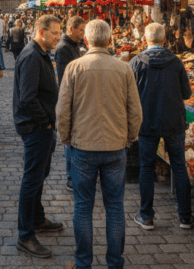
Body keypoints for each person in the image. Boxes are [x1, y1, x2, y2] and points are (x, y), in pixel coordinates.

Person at [56, 19, 142, 269]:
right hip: (116, 146)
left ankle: (83, 262)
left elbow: (62, 110)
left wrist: (66, 138)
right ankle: (115, 262)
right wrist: (129, 137)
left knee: (83, 207)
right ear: (110, 40)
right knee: (115, 207)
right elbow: (135, 111)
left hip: (83, 147)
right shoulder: (124, 69)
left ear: (86, 40)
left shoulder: (74, 67)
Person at [129, 22, 194, 231]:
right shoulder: (176, 62)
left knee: (146, 168)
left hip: (146, 122)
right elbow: (186, 93)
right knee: (179, 166)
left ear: (145, 40)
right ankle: (185, 217)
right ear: (164, 39)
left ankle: (146, 216)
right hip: (174, 121)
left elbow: (129, 96)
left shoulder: (136, 62)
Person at [13, 14, 64, 259]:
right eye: (55, 33)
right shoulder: (32, 55)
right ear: (42, 32)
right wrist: (45, 123)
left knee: (40, 174)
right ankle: (25, 235)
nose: (59, 37)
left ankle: (37, 218)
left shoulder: (39, 53)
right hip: (35, 128)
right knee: (32, 179)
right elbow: (28, 97)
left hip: (41, 127)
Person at [55, 15, 86, 191]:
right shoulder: (63, 48)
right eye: (81, 30)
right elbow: (64, 78)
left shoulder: (74, 45)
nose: (83, 34)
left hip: (78, 97)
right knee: (69, 141)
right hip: (71, 98)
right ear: (71, 29)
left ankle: (76, 174)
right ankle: (70, 178)